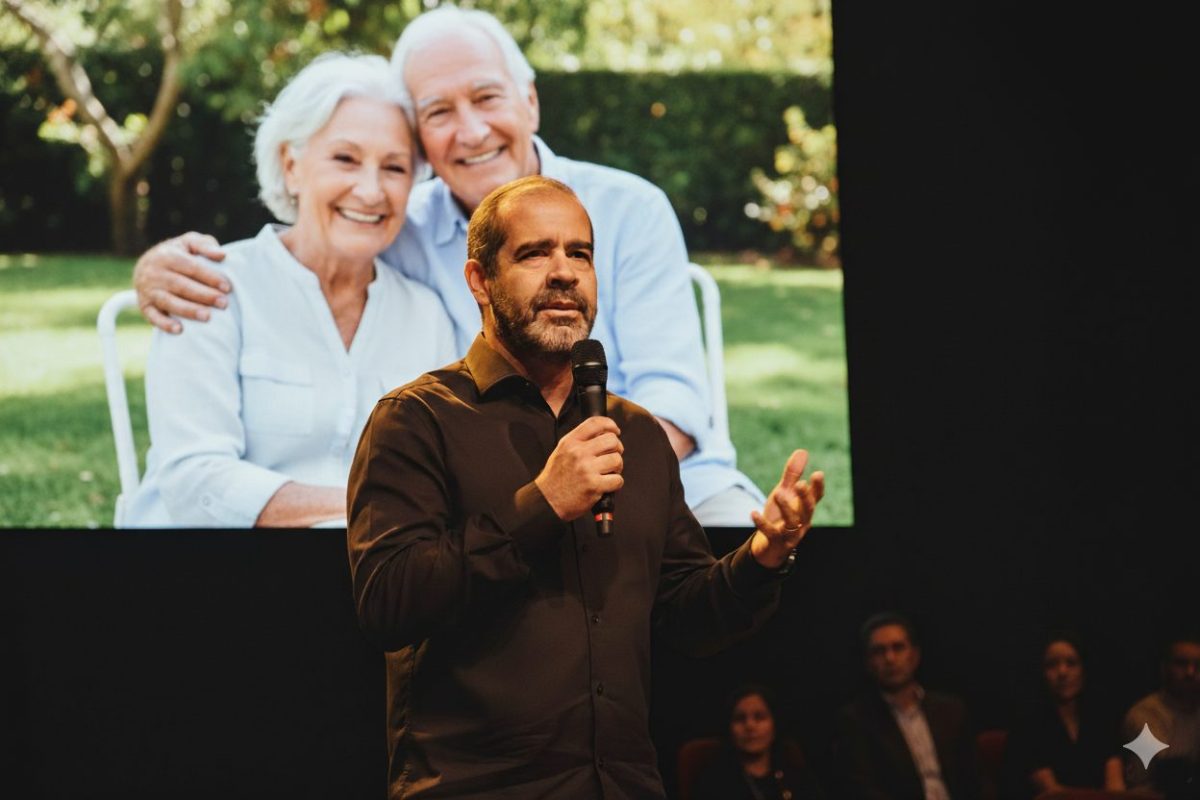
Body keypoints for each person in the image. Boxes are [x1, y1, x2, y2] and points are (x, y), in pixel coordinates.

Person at [131, 5, 765, 528]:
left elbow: (675, 404)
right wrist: (156, 268)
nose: (469, 130)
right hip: (495, 514)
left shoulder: (630, 209)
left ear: (531, 103)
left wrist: (579, 491)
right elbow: (313, 239)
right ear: (427, 145)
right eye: (437, 112)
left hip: (657, 479)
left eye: (487, 97)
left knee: (747, 552)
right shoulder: (399, 230)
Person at [346, 175, 826, 798]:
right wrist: (541, 504)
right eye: (534, 253)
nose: (565, 272)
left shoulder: (637, 435)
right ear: (479, 281)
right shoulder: (418, 420)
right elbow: (388, 602)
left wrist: (763, 558)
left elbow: (688, 616)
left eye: (580, 253)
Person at [123, 53, 456, 527]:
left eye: (395, 168)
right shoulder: (208, 285)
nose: (370, 190)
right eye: (345, 158)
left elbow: (439, 477)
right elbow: (194, 481)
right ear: (292, 165)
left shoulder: (425, 315)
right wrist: (371, 507)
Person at [832, 611, 981, 800]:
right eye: (879, 651)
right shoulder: (855, 720)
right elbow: (860, 789)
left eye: (898, 647)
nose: (890, 658)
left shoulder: (951, 710)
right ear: (868, 663)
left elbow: (973, 780)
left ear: (914, 655)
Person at [1000, 632, 1125, 799]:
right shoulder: (1026, 725)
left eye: (1071, 663)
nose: (1062, 672)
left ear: (1084, 670)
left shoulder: (1102, 719)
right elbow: (1055, 795)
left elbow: (1115, 789)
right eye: (1052, 665)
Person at [692, 683, 827, 800]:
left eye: (759, 717)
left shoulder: (795, 775)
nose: (750, 726)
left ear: (774, 725)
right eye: (740, 718)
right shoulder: (713, 783)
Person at [1121, 632, 1200, 797]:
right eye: (1181, 664)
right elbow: (1170, 774)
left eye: (1198, 665)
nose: (1190, 672)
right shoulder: (1144, 714)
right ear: (1164, 668)